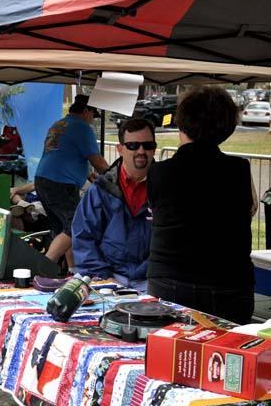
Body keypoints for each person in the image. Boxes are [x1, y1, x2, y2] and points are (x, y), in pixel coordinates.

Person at [147, 86, 256, 324]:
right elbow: (250, 209)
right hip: (228, 281)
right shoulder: (239, 170)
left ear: (182, 123)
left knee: (171, 354)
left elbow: (157, 213)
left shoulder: (159, 173)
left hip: (170, 279)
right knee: (227, 356)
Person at [71, 118, 156, 292]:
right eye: (133, 145)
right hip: (107, 278)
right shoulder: (101, 189)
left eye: (147, 145)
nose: (141, 151)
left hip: (154, 280)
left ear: (154, 149)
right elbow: (83, 238)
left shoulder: (168, 187)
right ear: (120, 149)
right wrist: (105, 279)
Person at [34, 94, 109, 270]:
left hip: (43, 180)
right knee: (76, 225)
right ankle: (43, 269)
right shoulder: (82, 127)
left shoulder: (59, 124)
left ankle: (71, 270)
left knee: (64, 229)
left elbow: (65, 155)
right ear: (86, 111)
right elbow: (97, 161)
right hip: (60, 184)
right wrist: (116, 177)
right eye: (93, 115)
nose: (92, 120)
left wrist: (90, 175)